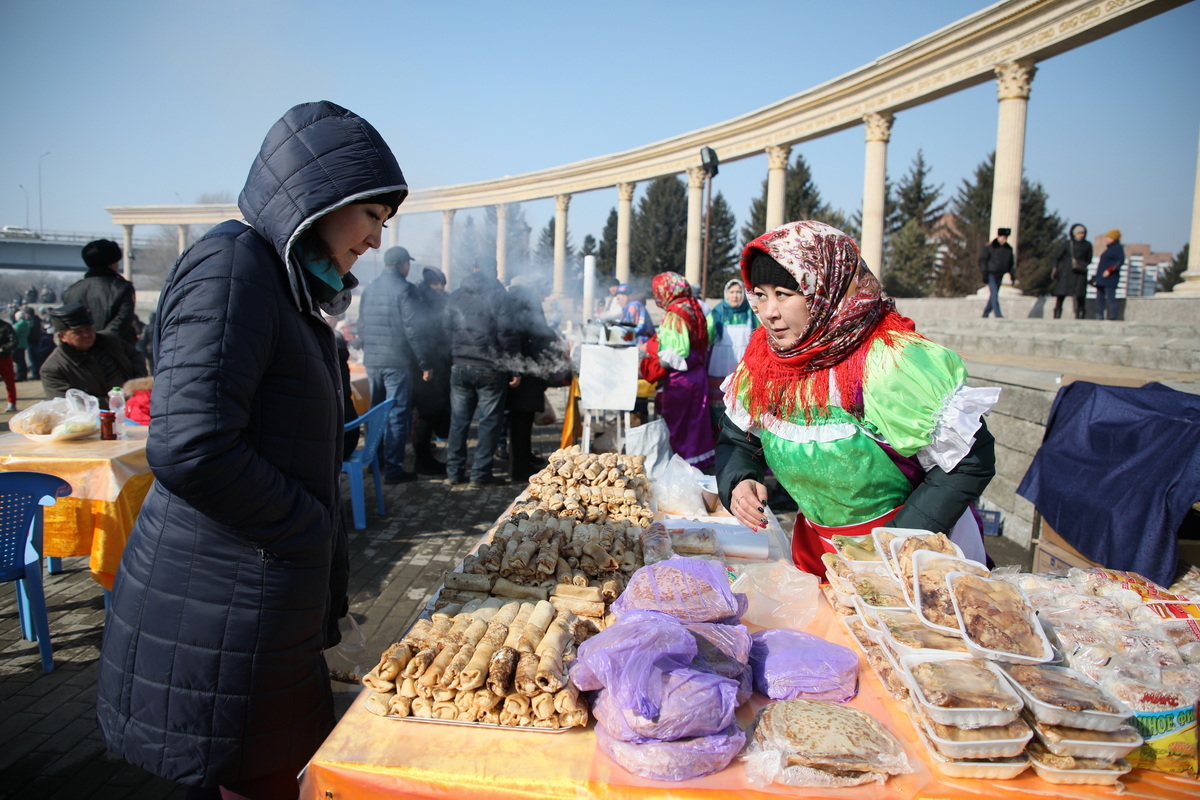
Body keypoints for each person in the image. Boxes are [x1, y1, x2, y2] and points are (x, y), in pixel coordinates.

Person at [96, 100, 407, 799]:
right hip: (227, 600)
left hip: (256, 598)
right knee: (255, 778)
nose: (377, 242)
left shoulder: (282, 281)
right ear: (324, 196)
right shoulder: (236, 266)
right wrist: (305, 525)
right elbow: (192, 445)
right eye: (372, 218)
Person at [716, 221, 997, 577]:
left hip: (913, 559)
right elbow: (737, 438)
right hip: (819, 553)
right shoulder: (765, 360)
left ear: (825, 289)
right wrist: (738, 479)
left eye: (784, 294)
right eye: (760, 294)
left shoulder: (889, 361)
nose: (769, 312)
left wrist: (896, 544)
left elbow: (969, 462)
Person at [357, 245, 434, 483]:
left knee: (374, 413)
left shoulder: (369, 289)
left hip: (373, 361)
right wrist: (425, 363)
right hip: (396, 362)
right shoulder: (405, 289)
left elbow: (361, 325)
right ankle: (393, 469)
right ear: (404, 265)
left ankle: (373, 462)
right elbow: (414, 329)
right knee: (397, 414)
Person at [443, 265, 520, 487]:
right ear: (493, 272)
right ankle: (480, 474)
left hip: (460, 365)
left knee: (458, 421)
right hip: (490, 368)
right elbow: (507, 333)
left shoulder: (456, 295)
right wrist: (514, 367)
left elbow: (445, 327)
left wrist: (454, 353)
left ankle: (454, 472)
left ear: (474, 269)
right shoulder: (499, 297)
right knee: (489, 422)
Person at [638, 271, 715, 471]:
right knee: (695, 428)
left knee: (679, 428)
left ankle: (680, 473)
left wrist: (650, 359)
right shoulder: (694, 307)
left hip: (681, 381)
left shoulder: (674, 314)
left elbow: (672, 356)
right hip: (698, 376)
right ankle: (697, 472)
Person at [505, 275, 559, 482]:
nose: (545, 298)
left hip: (517, 366)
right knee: (522, 421)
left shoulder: (513, 301)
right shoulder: (529, 303)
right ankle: (518, 468)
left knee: (520, 421)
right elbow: (539, 333)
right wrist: (553, 337)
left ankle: (522, 460)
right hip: (528, 370)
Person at [39, 303, 147, 407]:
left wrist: (137, 385)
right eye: (78, 332)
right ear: (62, 336)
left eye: (89, 329)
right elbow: (68, 404)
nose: (86, 335)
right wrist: (116, 401)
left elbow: (135, 356)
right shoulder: (53, 369)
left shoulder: (109, 341)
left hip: (136, 405)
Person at [411, 267, 452, 475]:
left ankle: (425, 455)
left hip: (436, 362)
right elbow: (422, 334)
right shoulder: (423, 303)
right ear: (429, 284)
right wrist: (426, 363)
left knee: (432, 411)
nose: (441, 289)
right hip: (427, 365)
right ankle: (423, 460)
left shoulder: (433, 300)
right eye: (437, 284)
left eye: (443, 284)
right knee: (426, 412)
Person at [63, 238, 139, 346]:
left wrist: (88, 343)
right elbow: (122, 322)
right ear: (112, 264)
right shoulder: (123, 288)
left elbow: (68, 326)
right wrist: (101, 344)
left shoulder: (70, 292)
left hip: (81, 354)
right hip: (117, 353)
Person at [706, 278, 759, 427]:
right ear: (726, 294)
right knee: (718, 406)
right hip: (719, 364)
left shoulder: (751, 312)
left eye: (738, 292)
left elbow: (761, 335)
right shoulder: (717, 312)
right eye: (731, 292)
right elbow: (706, 336)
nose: (735, 295)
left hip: (743, 365)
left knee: (741, 403)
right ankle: (718, 434)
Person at [1050, 224, 1093, 320]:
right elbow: (1057, 257)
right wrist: (1055, 268)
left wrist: (1081, 263)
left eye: (1083, 233)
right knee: (1061, 296)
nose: (1081, 235)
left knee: (1080, 296)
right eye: (1079, 233)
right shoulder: (1067, 244)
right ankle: (1057, 316)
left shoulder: (1087, 245)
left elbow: (1089, 259)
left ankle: (1080, 316)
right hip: (1066, 274)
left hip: (1080, 274)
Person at [978, 227, 1015, 318]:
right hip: (991, 274)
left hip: (1000, 274)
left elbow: (1010, 263)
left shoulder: (1008, 249)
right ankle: (998, 314)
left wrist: (1012, 275)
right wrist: (984, 273)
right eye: (1003, 237)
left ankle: (985, 314)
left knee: (993, 295)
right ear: (998, 236)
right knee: (994, 293)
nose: (1004, 240)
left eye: (1005, 238)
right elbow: (982, 260)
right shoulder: (989, 247)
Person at [1094, 228, 1124, 321]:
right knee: (1099, 299)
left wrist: (1109, 270)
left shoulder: (1118, 248)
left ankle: (1113, 317)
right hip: (1101, 279)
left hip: (1110, 278)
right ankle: (1100, 316)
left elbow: (1120, 261)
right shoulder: (1109, 249)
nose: (1107, 239)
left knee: (1111, 298)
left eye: (1109, 237)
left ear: (1114, 238)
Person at [0, 316, 17, 412]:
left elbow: (14, 342)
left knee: (9, 381)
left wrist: (3, 349)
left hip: (4, 358)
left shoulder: (6, 326)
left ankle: (11, 403)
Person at [12, 307, 30, 383]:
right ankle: (24, 375)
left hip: (18, 344)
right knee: (22, 360)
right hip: (24, 343)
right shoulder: (27, 323)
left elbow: (14, 334)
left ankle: (19, 376)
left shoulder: (18, 325)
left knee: (18, 361)